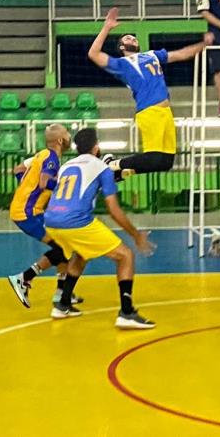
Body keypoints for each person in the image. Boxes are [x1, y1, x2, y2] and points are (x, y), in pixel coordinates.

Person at [44, 127, 157, 329]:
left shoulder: (66, 165)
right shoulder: (101, 168)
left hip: (51, 220)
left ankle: (63, 304)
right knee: (126, 256)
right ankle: (127, 312)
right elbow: (113, 210)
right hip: (74, 221)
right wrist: (136, 235)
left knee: (81, 253)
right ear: (96, 147)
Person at [88, 6, 213, 181]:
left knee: (166, 162)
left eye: (133, 36)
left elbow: (180, 54)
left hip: (166, 112)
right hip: (149, 111)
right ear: (122, 46)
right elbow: (93, 54)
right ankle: (111, 164)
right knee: (153, 156)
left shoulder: (152, 55)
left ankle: (120, 172)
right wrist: (107, 27)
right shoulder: (121, 64)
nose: (132, 37)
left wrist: (203, 44)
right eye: (127, 37)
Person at [6, 123, 83, 308]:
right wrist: (63, 188)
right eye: (66, 134)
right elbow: (43, 183)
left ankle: (62, 293)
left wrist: (25, 188)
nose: (69, 137)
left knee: (64, 246)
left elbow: (17, 170)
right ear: (60, 140)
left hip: (27, 209)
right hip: (27, 213)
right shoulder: (52, 159)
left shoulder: (41, 155)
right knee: (63, 247)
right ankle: (24, 278)